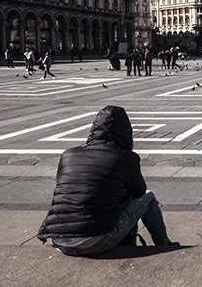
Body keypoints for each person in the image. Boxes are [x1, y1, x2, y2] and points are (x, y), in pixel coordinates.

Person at [37, 106, 176, 255]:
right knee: (148, 198)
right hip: (95, 241)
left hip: (59, 241)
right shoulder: (124, 158)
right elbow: (139, 192)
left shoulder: (69, 155)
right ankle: (164, 244)